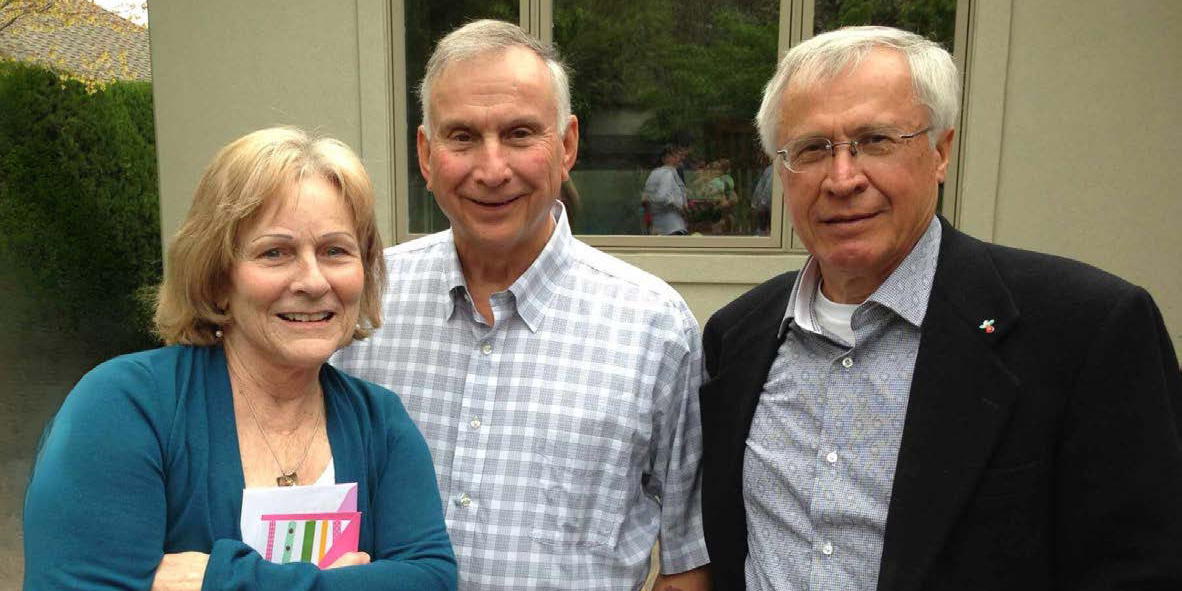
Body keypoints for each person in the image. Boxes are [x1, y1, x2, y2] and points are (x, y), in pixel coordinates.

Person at [699, 25, 1182, 591]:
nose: (843, 178)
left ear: (940, 153)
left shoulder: (1088, 332)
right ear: (782, 172)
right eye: (811, 149)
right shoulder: (737, 338)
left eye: (875, 140)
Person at [332, 19, 710, 591]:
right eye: (461, 137)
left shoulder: (653, 328)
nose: (491, 169)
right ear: (426, 154)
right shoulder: (363, 305)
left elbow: (688, 558)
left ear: (566, 145)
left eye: (519, 134)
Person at [22, 127, 457, 591]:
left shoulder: (380, 422)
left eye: (335, 251)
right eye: (275, 252)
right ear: (216, 278)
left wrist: (222, 579)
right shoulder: (126, 405)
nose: (312, 281)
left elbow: (431, 578)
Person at [643, 144, 690, 235]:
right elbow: (662, 197)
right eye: (676, 155)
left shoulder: (654, 173)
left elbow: (647, 198)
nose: (679, 158)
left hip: (658, 225)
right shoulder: (667, 174)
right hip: (672, 226)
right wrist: (679, 207)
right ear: (666, 158)